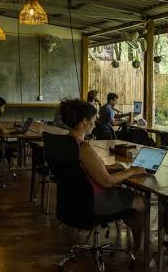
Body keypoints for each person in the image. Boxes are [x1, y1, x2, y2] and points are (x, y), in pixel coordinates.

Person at [60, 98, 147, 255]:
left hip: (72, 201)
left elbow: (85, 168)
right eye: (93, 120)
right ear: (84, 121)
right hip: (93, 202)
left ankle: (136, 242)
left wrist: (107, 167)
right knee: (141, 201)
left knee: (127, 196)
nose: (95, 124)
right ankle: (138, 249)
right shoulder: (83, 147)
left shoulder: (66, 143)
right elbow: (107, 181)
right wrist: (132, 171)